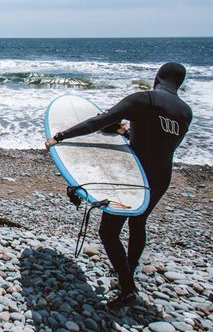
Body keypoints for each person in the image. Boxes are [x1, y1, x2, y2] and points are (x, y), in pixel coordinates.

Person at [45, 62, 192, 308]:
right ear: (179, 83)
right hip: (161, 176)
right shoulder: (185, 112)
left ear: (157, 77)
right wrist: (127, 133)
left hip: (134, 174)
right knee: (138, 222)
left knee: (108, 232)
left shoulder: (143, 99)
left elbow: (100, 121)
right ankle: (127, 275)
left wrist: (61, 136)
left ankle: (127, 289)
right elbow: (160, 142)